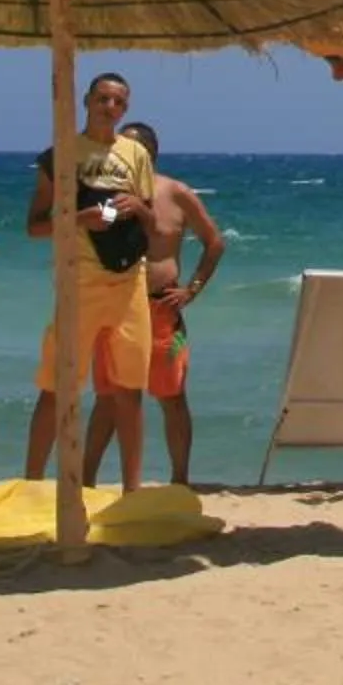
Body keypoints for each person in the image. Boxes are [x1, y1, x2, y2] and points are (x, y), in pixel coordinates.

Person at [23, 72, 156, 491]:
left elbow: (155, 223)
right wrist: (80, 218)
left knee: (130, 389)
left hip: (128, 279)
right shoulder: (62, 154)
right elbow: (35, 226)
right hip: (79, 281)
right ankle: (31, 482)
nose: (109, 108)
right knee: (57, 386)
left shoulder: (136, 155)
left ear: (126, 108)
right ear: (86, 101)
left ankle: (132, 487)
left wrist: (137, 206)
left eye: (118, 102)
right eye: (103, 99)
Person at [75, 120, 223, 489]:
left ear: (151, 153)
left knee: (171, 396)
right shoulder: (104, 193)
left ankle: (179, 481)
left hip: (161, 310)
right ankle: (86, 481)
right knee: (108, 398)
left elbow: (214, 242)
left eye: (134, 146)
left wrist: (192, 289)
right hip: (116, 303)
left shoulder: (174, 192)